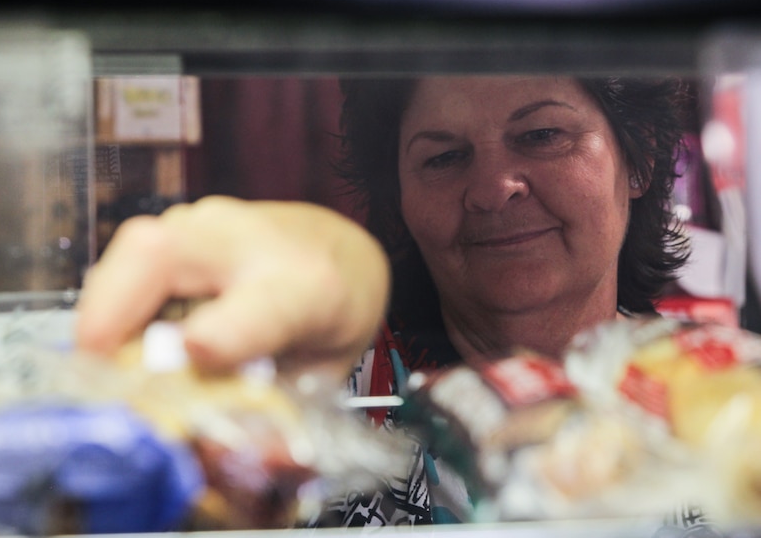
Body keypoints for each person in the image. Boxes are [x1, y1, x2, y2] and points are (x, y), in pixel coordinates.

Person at [76, 74, 692, 526]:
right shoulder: (317, 410)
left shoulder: (727, 400)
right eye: (444, 157)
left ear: (637, 162)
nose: (492, 188)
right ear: (399, 198)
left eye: (541, 135)